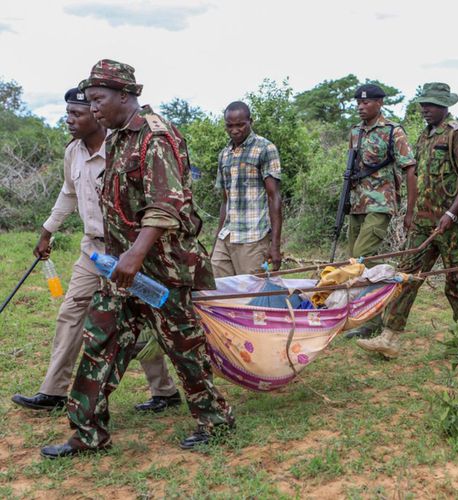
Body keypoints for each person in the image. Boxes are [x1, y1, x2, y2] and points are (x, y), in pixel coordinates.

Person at [40, 60, 234, 459]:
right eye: (90, 101)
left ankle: (214, 419)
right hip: (122, 270)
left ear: (124, 96)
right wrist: (118, 259)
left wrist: (133, 255)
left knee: (184, 348)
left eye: (98, 100)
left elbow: (166, 205)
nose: (93, 109)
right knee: (100, 341)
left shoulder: (155, 138)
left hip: (163, 270)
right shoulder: (115, 140)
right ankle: (87, 433)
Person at [11, 88, 181, 414]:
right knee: (71, 313)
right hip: (91, 251)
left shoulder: (123, 147)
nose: (69, 120)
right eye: (68, 114)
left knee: (141, 318)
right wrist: (47, 231)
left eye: (76, 114)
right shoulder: (72, 152)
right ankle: (53, 391)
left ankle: (165, 391)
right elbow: (67, 193)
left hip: (129, 250)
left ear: (95, 112)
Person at [356, 82, 458, 358]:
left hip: (452, 224)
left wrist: (451, 213)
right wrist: (410, 212)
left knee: (456, 281)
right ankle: (389, 337)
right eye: (423, 104)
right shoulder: (424, 136)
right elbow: (416, 176)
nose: (426, 109)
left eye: (431, 104)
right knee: (407, 277)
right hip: (424, 222)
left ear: (445, 106)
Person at [343, 83, 417, 340]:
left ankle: (388, 283)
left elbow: (409, 168)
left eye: (366, 102)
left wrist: (409, 210)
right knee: (354, 260)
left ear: (379, 103)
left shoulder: (392, 131)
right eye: (358, 103)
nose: (361, 107)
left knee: (361, 256)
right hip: (357, 203)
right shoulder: (355, 132)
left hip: (381, 202)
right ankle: (369, 317)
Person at [212, 101, 282, 276]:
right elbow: (225, 200)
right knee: (217, 290)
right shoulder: (224, 154)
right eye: (230, 126)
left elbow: (274, 197)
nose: (235, 130)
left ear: (250, 121)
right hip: (226, 236)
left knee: (251, 295)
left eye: (240, 125)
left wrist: (275, 246)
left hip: (253, 237)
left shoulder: (265, 148)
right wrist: (216, 241)